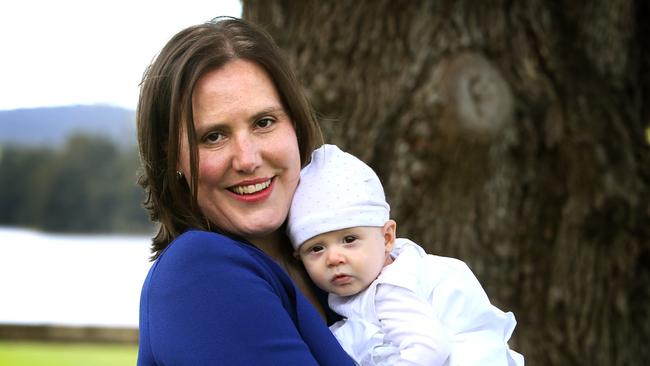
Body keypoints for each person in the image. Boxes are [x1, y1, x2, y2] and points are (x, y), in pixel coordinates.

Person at [135, 17, 354, 365]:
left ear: (294, 125)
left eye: (264, 122)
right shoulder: (201, 274)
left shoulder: (328, 267)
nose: (248, 160)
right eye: (213, 136)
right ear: (171, 156)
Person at [287, 144, 525, 366]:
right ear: (299, 256)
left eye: (349, 240)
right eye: (316, 248)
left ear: (387, 237)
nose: (334, 258)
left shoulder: (392, 288)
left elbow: (429, 348)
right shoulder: (392, 274)